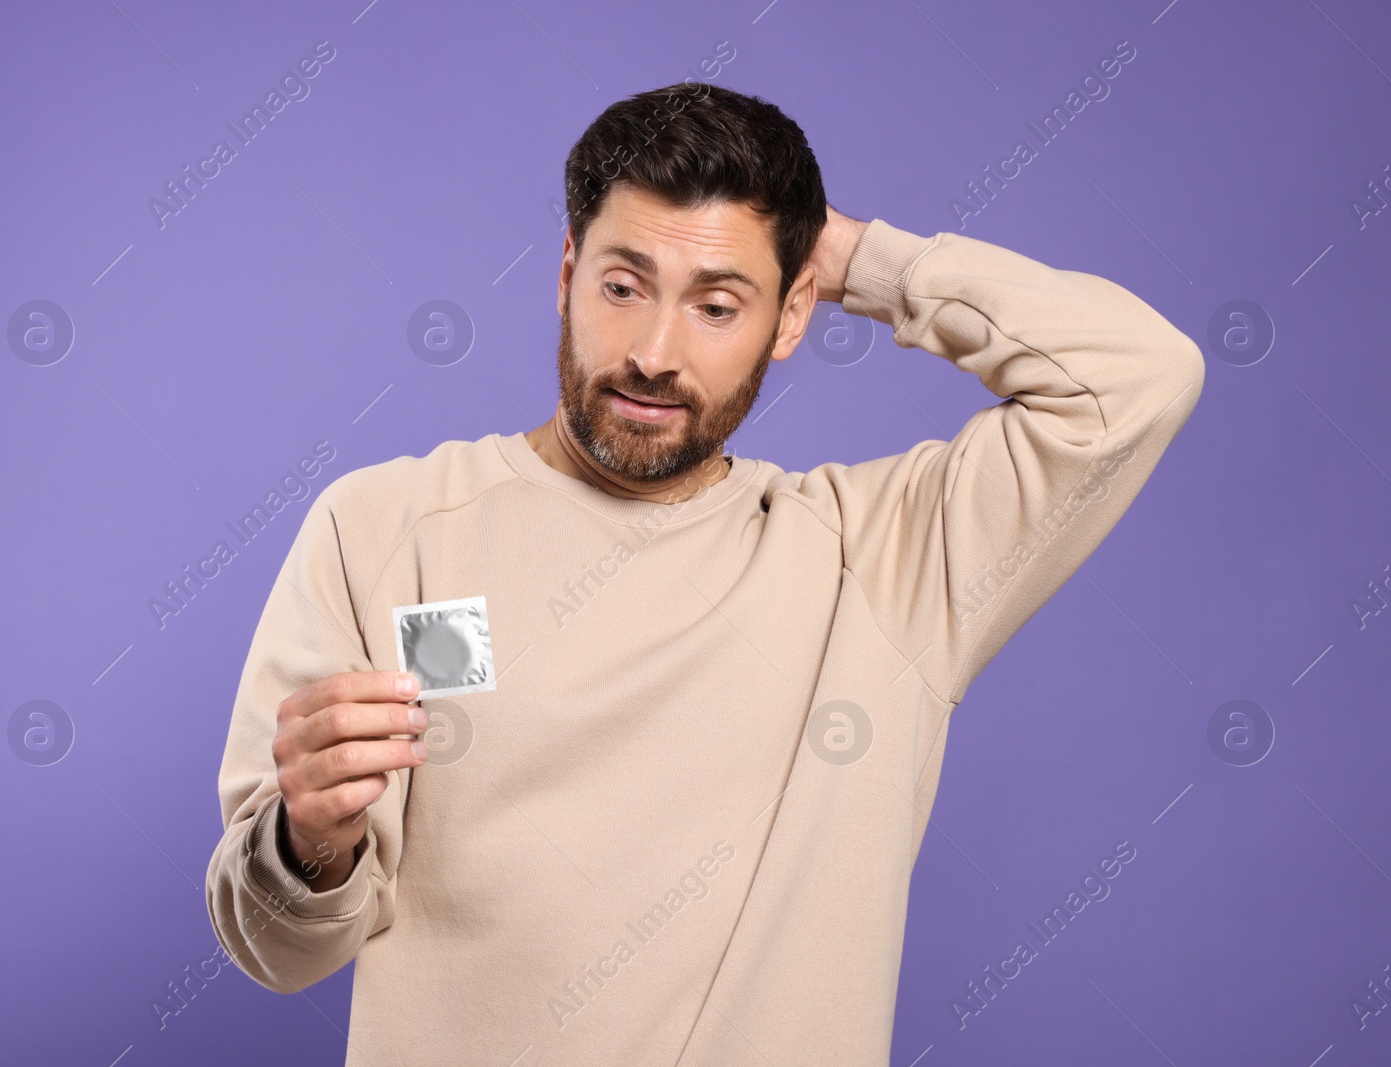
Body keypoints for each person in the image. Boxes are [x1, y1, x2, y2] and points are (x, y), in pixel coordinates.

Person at [204, 80, 1204, 1065]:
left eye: (717, 304)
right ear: (564, 272)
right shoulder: (389, 528)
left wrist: (861, 255)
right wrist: (307, 840)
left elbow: (1139, 375)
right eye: (622, 285)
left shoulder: (886, 562)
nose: (652, 351)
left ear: (794, 310)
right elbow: (278, 951)